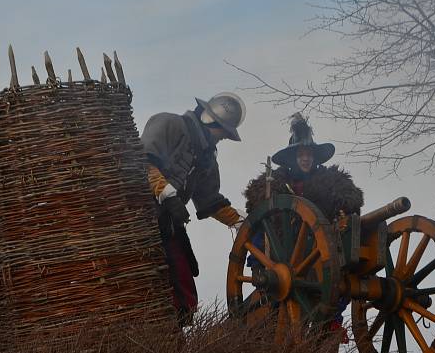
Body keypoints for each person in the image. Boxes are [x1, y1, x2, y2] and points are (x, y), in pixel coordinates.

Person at [244, 113, 363, 339]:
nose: (305, 159)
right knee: (263, 223)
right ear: (292, 159)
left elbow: (352, 199)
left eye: (309, 154)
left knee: (340, 278)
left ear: (315, 157)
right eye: (301, 155)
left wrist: (346, 204)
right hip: (285, 251)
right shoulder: (277, 183)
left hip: (323, 246)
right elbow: (260, 217)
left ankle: (329, 324)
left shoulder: (331, 180)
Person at [141, 93, 246, 326]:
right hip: (140, 218)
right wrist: (166, 194)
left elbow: (209, 199)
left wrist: (240, 221)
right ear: (210, 121)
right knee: (153, 283)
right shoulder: (168, 123)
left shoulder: (206, 158)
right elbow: (144, 162)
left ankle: (173, 335)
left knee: (183, 284)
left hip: (169, 225)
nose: (223, 139)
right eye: (223, 133)